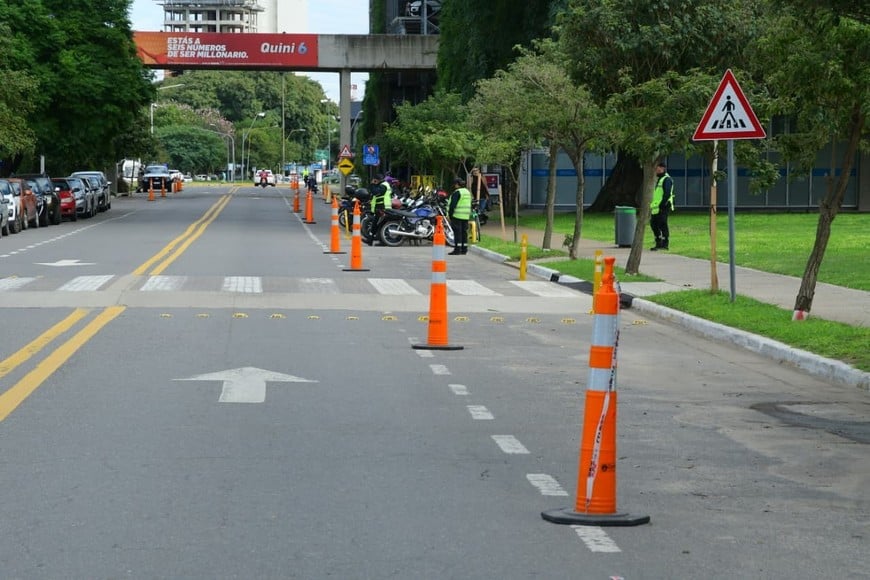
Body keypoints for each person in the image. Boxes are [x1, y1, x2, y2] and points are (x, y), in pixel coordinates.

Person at [650, 161, 674, 251]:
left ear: (662, 168)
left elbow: (667, 193)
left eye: (657, 169)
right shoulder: (660, 179)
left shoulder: (667, 179)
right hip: (656, 207)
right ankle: (658, 242)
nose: (656, 170)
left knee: (662, 224)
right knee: (654, 224)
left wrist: (662, 204)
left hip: (663, 206)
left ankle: (665, 244)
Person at [448, 177, 472, 255]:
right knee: (464, 233)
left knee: (457, 233)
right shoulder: (467, 192)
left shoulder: (457, 192)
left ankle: (457, 249)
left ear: (457, 184)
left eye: (455, 184)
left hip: (457, 215)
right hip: (466, 215)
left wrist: (450, 215)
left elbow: (452, 205)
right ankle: (464, 249)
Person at [365, 173, 390, 246]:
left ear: (377, 180)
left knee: (378, 224)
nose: (373, 181)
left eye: (374, 180)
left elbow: (376, 193)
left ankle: (374, 240)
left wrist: (372, 185)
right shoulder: (382, 185)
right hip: (380, 208)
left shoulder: (383, 186)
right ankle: (371, 239)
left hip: (383, 208)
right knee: (376, 224)